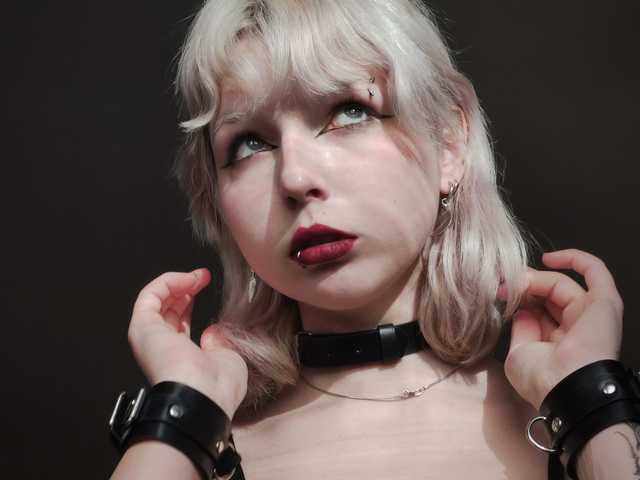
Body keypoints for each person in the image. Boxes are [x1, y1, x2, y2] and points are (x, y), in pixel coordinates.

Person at [109, 1, 639, 479]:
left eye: (349, 111)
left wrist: (590, 402)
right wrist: (182, 415)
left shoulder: (569, 430)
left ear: (449, 140)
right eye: (249, 144)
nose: (295, 178)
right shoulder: (197, 450)